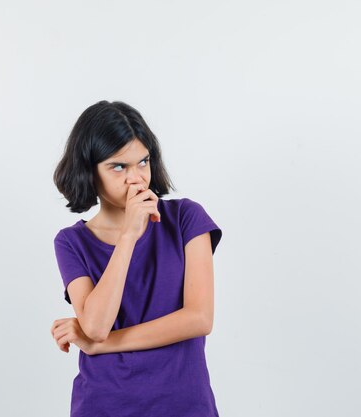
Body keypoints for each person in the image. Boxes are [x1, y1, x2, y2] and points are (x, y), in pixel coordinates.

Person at [50, 100, 223, 416]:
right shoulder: (71, 242)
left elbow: (199, 319)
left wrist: (100, 346)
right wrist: (128, 235)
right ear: (89, 172)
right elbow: (96, 325)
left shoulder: (187, 218)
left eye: (143, 162)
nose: (136, 178)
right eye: (119, 167)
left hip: (184, 406)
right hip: (105, 405)